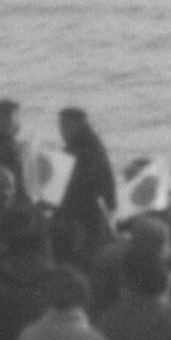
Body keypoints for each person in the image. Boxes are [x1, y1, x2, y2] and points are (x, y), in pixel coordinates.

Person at [55, 108, 117, 257]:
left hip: (86, 211)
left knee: (85, 251)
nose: (62, 131)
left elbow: (83, 182)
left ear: (78, 125)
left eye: (65, 126)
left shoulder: (86, 150)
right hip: (89, 210)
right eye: (61, 126)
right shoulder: (89, 145)